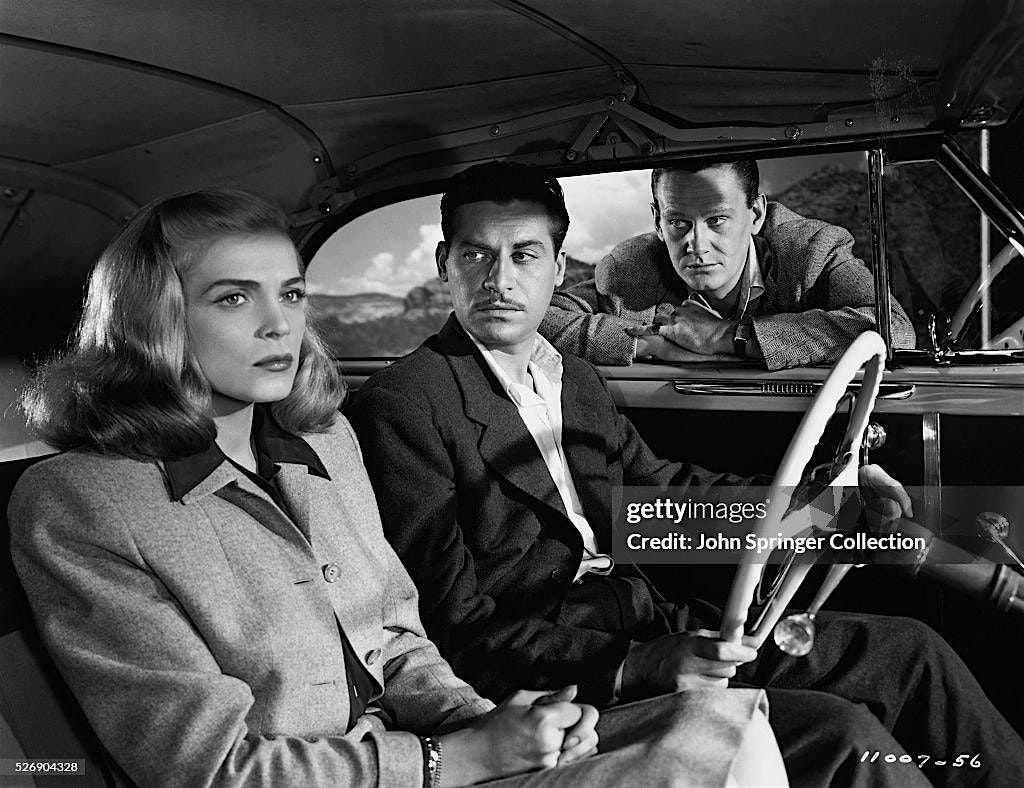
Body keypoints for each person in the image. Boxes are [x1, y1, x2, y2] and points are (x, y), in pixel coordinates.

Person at [8, 188, 784, 788]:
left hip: (571, 669)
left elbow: (653, 509)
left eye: (292, 294)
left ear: (561, 267)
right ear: (158, 318)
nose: (279, 326)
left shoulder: (338, 439)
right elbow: (213, 767)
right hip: (502, 695)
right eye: (234, 297)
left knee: (772, 723)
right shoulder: (85, 502)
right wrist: (467, 751)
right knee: (736, 738)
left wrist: (833, 522)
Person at [348, 162, 1024, 787]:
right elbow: (454, 629)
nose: (500, 279)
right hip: (558, 676)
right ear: (444, 263)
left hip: (653, 621)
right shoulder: (403, 406)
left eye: (524, 255)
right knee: (840, 734)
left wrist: (825, 508)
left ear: (557, 267)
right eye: (476, 255)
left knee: (911, 655)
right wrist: (636, 665)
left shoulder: (572, 379)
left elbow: (665, 498)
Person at [539, 160, 916, 370]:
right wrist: (651, 345)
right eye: (678, 223)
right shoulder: (631, 269)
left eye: (717, 220)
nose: (696, 244)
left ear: (756, 214)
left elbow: (893, 329)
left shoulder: (811, 251)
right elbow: (538, 318)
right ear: (657, 222)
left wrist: (726, 336)